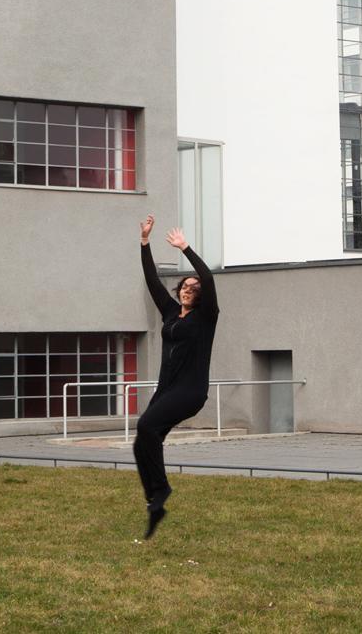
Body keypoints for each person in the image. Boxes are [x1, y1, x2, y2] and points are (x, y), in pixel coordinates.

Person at [135, 213, 219, 539]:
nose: (188, 289)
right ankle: (154, 501)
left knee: (145, 426)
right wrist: (145, 241)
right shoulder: (171, 313)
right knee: (144, 440)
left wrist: (185, 248)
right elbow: (152, 280)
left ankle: (163, 488)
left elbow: (208, 279)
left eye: (193, 288)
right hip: (166, 390)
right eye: (185, 286)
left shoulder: (206, 317)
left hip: (190, 391)